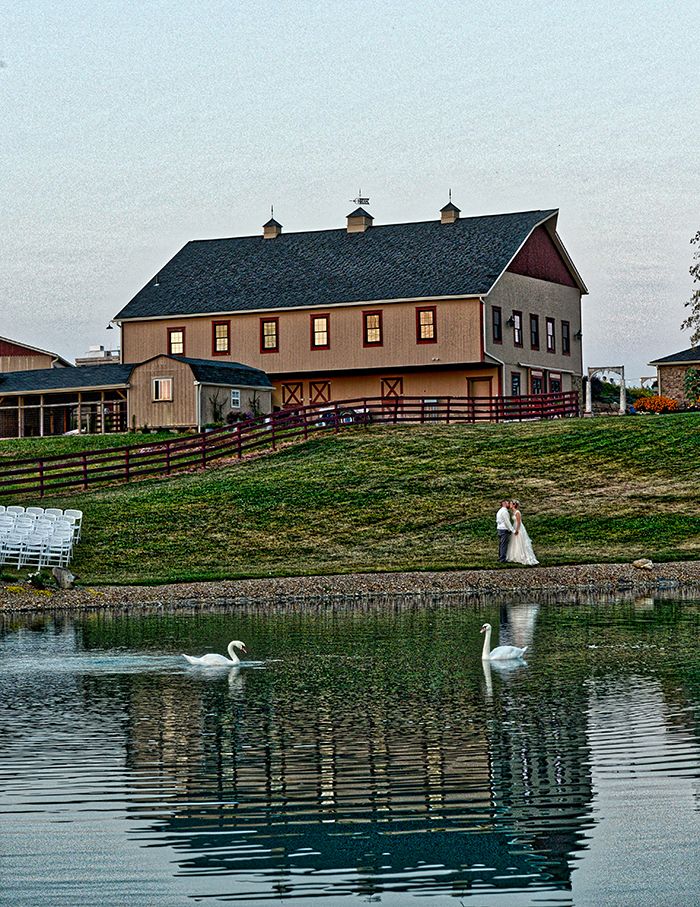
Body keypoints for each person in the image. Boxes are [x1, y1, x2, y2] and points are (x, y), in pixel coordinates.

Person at [506, 499, 539, 566]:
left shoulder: (517, 512)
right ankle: (515, 556)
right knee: (515, 541)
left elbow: (519, 522)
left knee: (520, 541)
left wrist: (517, 530)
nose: (510, 504)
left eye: (511, 503)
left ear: (514, 505)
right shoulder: (513, 512)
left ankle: (523, 556)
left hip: (518, 527)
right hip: (514, 526)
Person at [496, 498, 514, 563]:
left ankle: (500, 557)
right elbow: (507, 522)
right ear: (504, 504)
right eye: (508, 503)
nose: (509, 504)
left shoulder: (499, 511)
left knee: (501, 544)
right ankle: (502, 559)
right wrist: (511, 529)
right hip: (504, 529)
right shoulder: (504, 512)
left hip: (499, 529)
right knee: (504, 544)